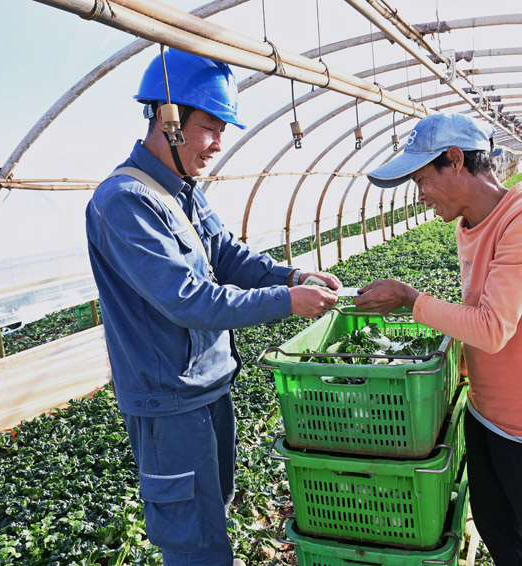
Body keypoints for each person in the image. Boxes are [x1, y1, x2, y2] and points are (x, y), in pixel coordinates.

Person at [85, 48, 339, 566]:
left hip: (210, 388)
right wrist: (288, 301)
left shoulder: (182, 192)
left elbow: (226, 253)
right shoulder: (125, 200)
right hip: (169, 405)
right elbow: (190, 300)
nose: (218, 143)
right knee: (194, 544)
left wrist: (293, 275)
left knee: (213, 514)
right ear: (167, 118)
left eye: (224, 129)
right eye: (210, 127)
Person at [354, 113, 522, 566]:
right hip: (487, 417)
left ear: (456, 160)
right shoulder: (470, 225)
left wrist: (410, 299)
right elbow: (479, 318)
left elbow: (491, 327)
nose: (420, 196)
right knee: (503, 539)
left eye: (422, 180)